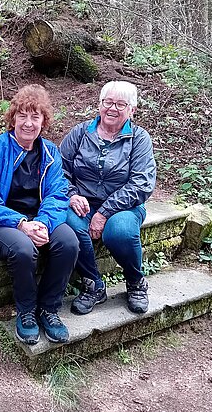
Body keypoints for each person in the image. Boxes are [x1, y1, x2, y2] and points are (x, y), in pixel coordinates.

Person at [0, 84, 79, 345]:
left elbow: (57, 194)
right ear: (13, 118)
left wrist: (42, 222)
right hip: (1, 222)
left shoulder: (50, 152)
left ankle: (48, 308)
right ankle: (26, 311)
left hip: (39, 218)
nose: (28, 123)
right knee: (23, 248)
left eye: (35, 117)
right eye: (22, 115)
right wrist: (21, 223)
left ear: (43, 121)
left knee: (68, 242)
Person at [60, 80, 156, 315]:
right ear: (100, 104)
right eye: (108, 102)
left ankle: (135, 282)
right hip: (82, 202)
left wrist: (104, 212)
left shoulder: (139, 139)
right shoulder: (80, 133)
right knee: (68, 223)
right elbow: (58, 170)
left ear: (132, 110)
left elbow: (141, 183)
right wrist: (71, 195)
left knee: (119, 231)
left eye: (120, 104)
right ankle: (93, 284)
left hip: (125, 206)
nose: (112, 108)